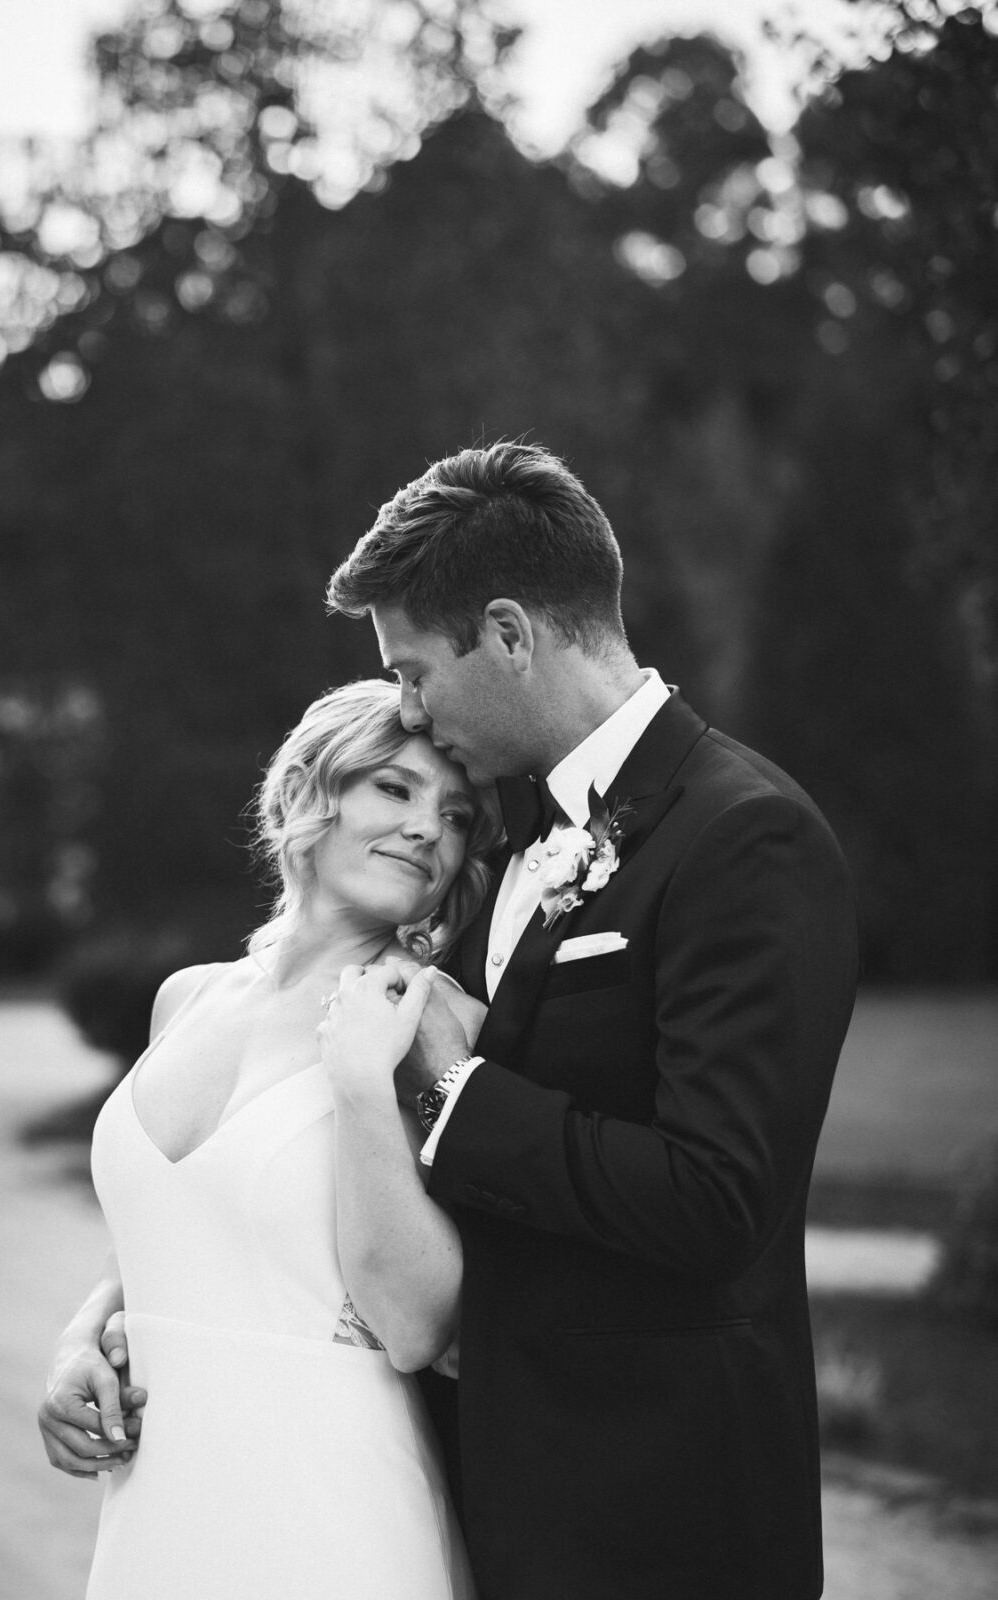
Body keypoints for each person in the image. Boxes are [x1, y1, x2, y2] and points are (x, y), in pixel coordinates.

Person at [321, 441, 858, 1600]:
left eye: (415, 671)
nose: (406, 709)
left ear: (509, 633)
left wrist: (462, 1098)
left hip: (665, 1529)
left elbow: (720, 1198)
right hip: (488, 1512)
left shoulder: (745, 837)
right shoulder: (501, 843)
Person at [37, 678, 499, 1598]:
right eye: (394, 789)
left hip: (329, 1508)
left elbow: (419, 1325)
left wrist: (364, 1086)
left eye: (454, 816)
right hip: (159, 1505)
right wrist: (80, 1339)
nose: (427, 831)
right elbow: (184, 1227)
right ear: (302, 793)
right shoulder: (186, 997)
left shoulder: (430, 1021)